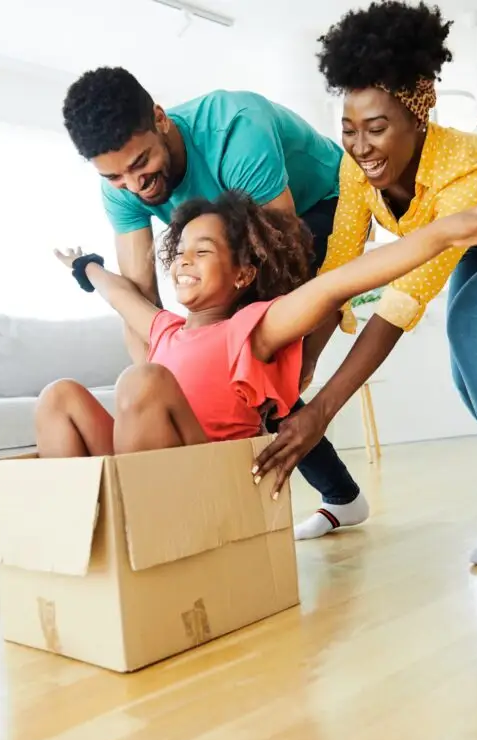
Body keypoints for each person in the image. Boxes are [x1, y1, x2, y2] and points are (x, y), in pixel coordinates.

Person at [252, 0, 477, 564]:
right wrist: (302, 370)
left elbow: (400, 304)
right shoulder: (354, 168)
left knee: (470, 323)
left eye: (377, 129)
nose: (360, 147)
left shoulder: (464, 167)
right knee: (468, 381)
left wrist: (322, 412)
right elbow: (338, 272)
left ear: (418, 119)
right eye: (348, 131)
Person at [37, 172, 477, 461]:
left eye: (204, 251)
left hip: (205, 480)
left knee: (143, 380)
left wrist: (450, 231)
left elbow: (342, 282)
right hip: (145, 471)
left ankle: (131, 534)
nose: (184, 260)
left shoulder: (254, 327)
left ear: (242, 273)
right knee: (60, 395)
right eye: (180, 252)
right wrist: (85, 267)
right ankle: (77, 536)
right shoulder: (165, 330)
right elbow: (114, 292)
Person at [61, 66, 366, 527]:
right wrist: (169, 385)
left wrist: (299, 360)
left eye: (141, 164)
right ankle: (342, 495)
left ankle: (339, 495)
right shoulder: (120, 189)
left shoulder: (235, 130)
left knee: (254, 365)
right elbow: (142, 300)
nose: (135, 184)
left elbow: (283, 264)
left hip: (321, 207)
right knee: (217, 366)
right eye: (116, 176)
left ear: (160, 119)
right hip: (236, 228)